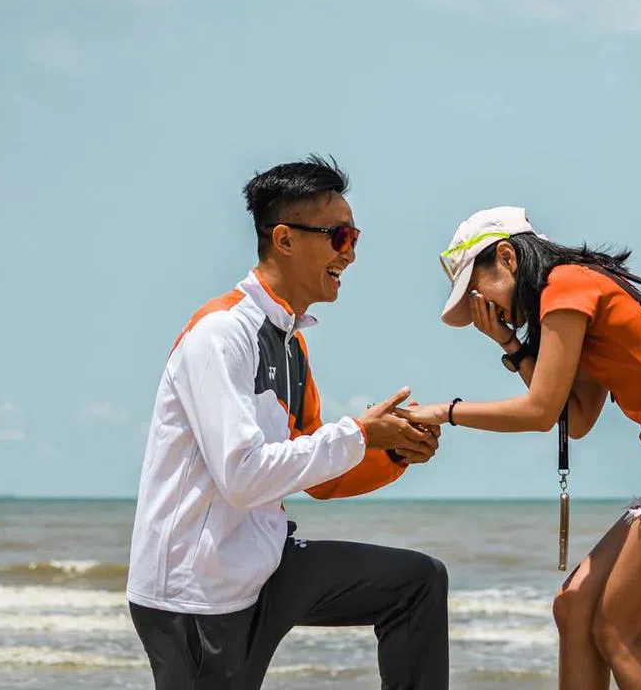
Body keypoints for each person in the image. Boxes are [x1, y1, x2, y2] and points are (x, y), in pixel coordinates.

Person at [404, 206, 641, 690]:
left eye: (478, 290)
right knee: (574, 605)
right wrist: (513, 346)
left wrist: (445, 411)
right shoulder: (572, 291)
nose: (480, 306)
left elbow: (539, 412)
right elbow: (574, 419)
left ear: (509, 258)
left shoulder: (567, 286)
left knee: (619, 632)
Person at [126, 156, 449, 690]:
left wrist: (390, 453)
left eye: (354, 236)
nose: (351, 252)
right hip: (196, 593)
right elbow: (243, 477)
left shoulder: (290, 343)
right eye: (339, 236)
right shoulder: (221, 334)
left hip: (266, 567)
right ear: (285, 239)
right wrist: (362, 433)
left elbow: (316, 473)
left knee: (416, 584)